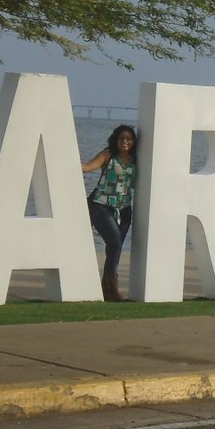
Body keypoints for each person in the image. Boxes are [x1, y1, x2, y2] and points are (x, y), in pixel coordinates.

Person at [82, 125, 137, 301]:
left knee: (115, 249)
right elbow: (87, 167)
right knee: (114, 244)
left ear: (134, 141)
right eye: (122, 138)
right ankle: (111, 289)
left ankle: (107, 288)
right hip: (102, 206)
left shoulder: (135, 159)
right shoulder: (107, 155)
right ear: (116, 139)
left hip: (125, 209)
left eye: (129, 138)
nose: (125, 141)